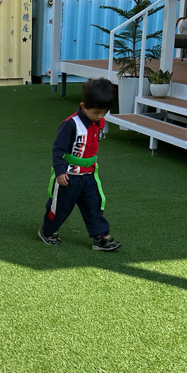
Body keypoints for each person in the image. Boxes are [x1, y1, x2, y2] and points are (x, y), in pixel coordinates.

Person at [38, 79, 120, 251]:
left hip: (89, 176)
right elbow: (58, 149)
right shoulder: (70, 124)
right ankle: (48, 231)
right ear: (83, 106)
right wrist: (60, 171)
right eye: (96, 112)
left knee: (95, 205)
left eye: (104, 112)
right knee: (60, 207)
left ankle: (100, 236)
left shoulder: (100, 122)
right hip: (68, 177)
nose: (100, 117)